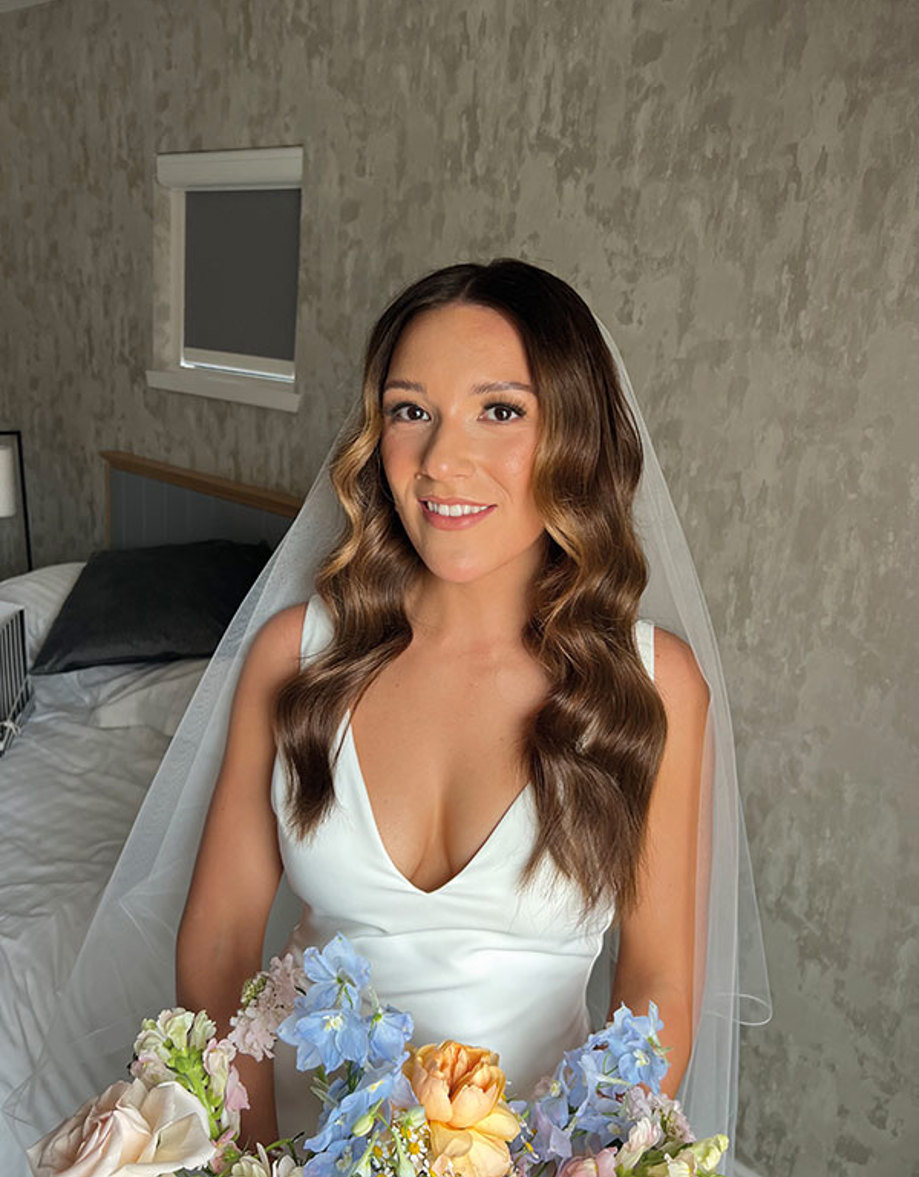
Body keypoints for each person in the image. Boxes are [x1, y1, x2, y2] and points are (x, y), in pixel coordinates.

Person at [5, 259, 770, 1176]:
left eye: (499, 409)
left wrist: (590, 1160)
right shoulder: (296, 656)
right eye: (411, 411)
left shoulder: (651, 686)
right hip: (293, 1148)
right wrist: (257, 1158)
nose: (441, 461)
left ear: (577, 433)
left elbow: (655, 986)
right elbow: (217, 935)